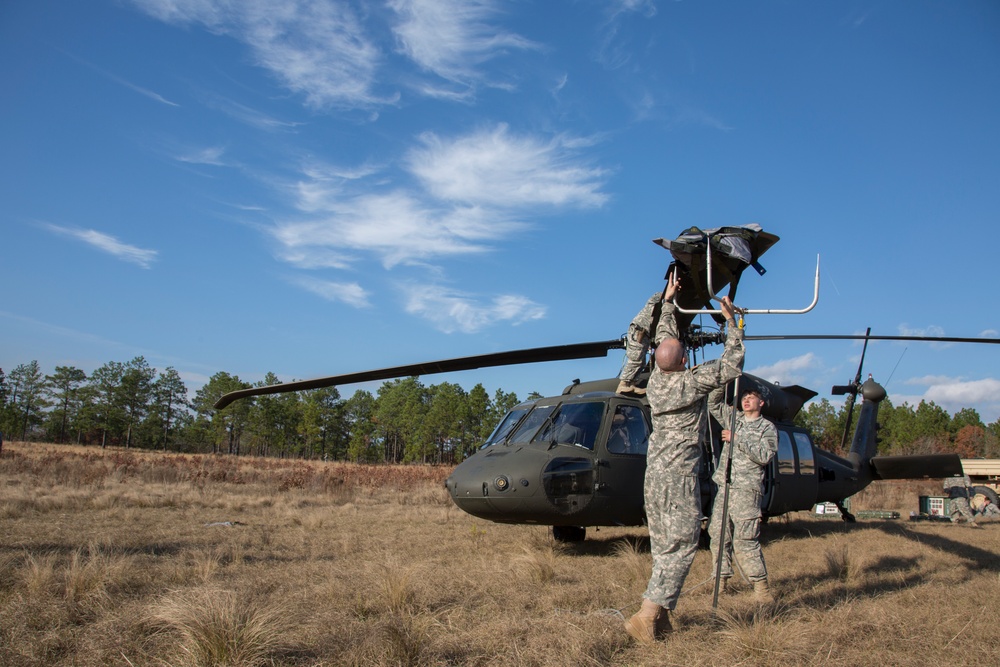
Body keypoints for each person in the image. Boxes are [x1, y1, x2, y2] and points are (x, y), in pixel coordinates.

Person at [624, 287, 745, 645]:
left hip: (655, 474)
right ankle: (646, 614)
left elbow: (664, 336)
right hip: (678, 475)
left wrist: (668, 302)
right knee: (684, 543)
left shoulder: (658, 380)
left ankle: (660, 619)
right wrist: (732, 324)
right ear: (682, 362)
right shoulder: (691, 382)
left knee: (664, 545)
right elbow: (732, 363)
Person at [707, 386, 778, 602]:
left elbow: (765, 455)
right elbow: (713, 403)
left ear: (761, 403)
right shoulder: (733, 418)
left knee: (745, 539)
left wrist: (737, 439)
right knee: (718, 535)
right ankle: (721, 582)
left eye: (752, 398)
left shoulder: (767, 427)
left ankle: (761, 588)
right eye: (744, 398)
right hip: (726, 487)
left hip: (747, 490)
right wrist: (723, 380)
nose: (746, 401)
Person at [616, 277, 680, 396]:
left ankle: (632, 383)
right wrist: (671, 294)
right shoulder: (658, 297)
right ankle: (623, 384)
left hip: (644, 332)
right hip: (639, 330)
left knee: (642, 360)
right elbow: (662, 300)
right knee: (636, 357)